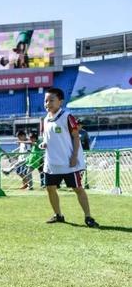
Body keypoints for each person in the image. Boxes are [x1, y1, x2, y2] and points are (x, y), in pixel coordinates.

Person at [40, 87, 98, 227]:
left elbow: (76, 137)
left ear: (60, 101)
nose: (48, 103)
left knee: (78, 189)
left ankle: (88, 217)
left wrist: (73, 157)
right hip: (52, 162)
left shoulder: (67, 117)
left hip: (68, 162)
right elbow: (47, 138)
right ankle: (58, 215)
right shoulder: (45, 119)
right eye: (46, 101)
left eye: (51, 100)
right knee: (50, 188)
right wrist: (44, 144)